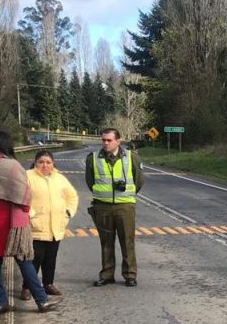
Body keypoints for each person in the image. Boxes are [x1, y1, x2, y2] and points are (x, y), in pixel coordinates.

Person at [0, 131, 62, 314]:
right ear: (7, 146)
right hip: (11, 221)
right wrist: (25, 214)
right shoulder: (13, 166)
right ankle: (42, 300)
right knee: (24, 259)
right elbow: (24, 197)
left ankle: (0, 302)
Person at [85, 128, 144, 287]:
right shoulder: (93, 158)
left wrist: (127, 195)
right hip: (102, 206)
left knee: (127, 241)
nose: (105, 143)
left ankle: (130, 275)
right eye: (103, 140)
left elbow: (138, 180)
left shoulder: (131, 157)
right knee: (106, 242)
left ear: (118, 141)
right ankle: (107, 274)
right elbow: (90, 181)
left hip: (125, 206)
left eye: (109, 140)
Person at [23, 150, 79, 300]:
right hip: (36, 226)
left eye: (48, 162)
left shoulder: (59, 178)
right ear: (35, 163)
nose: (45, 165)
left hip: (56, 226)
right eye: (41, 162)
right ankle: (27, 287)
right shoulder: (28, 177)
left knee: (50, 258)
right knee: (35, 258)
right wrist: (31, 214)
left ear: (53, 163)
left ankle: (48, 284)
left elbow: (72, 196)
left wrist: (68, 212)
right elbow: (22, 198)